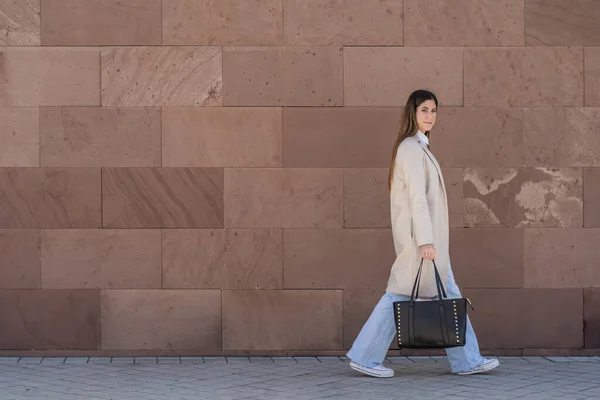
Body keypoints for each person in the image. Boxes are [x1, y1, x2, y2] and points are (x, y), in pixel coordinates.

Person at [346, 89, 500, 378]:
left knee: (433, 294)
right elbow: (417, 198)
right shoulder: (410, 148)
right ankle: (367, 357)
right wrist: (427, 241)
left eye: (434, 110)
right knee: (409, 294)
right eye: (424, 110)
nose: (430, 116)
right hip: (421, 242)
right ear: (412, 113)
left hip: (424, 240)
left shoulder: (418, 147)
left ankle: (465, 361)